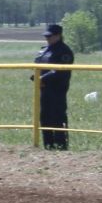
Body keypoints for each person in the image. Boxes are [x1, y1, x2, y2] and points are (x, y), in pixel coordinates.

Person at [35, 22, 75, 150]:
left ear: (58, 36)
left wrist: (42, 78)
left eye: (50, 36)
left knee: (57, 117)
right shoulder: (44, 50)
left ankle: (61, 146)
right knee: (44, 117)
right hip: (43, 89)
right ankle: (48, 145)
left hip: (57, 90)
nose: (47, 39)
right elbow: (38, 65)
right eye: (46, 36)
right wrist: (35, 76)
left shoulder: (64, 51)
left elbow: (59, 71)